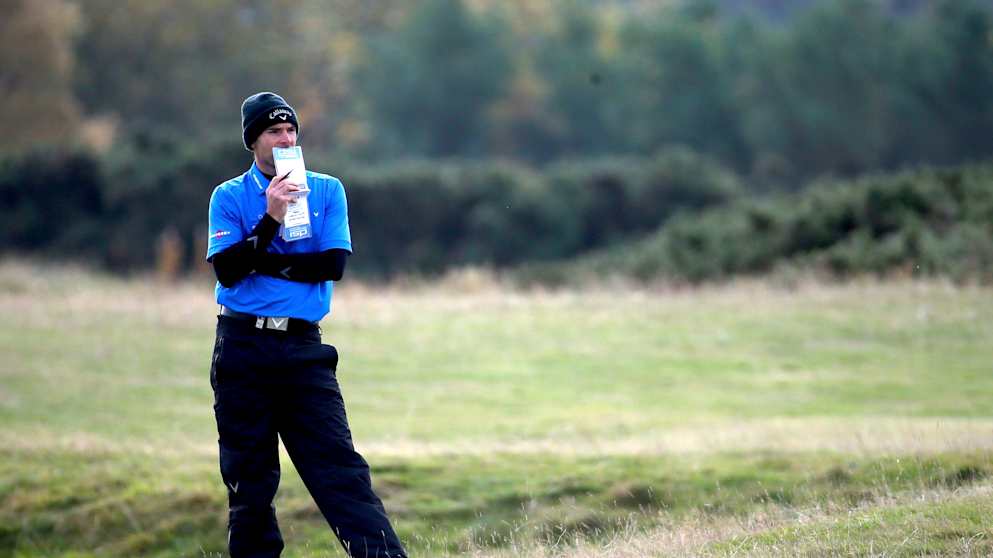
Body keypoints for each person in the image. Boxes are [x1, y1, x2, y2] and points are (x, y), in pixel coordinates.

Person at [206, 91, 407, 558]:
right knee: (249, 482)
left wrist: (262, 258)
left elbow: (331, 265)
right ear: (254, 141)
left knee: (341, 471)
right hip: (241, 347)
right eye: (274, 131)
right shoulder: (230, 196)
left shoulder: (327, 189)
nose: (286, 138)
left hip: (303, 351)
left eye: (291, 130)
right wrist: (271, 219)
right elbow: (229, 271)